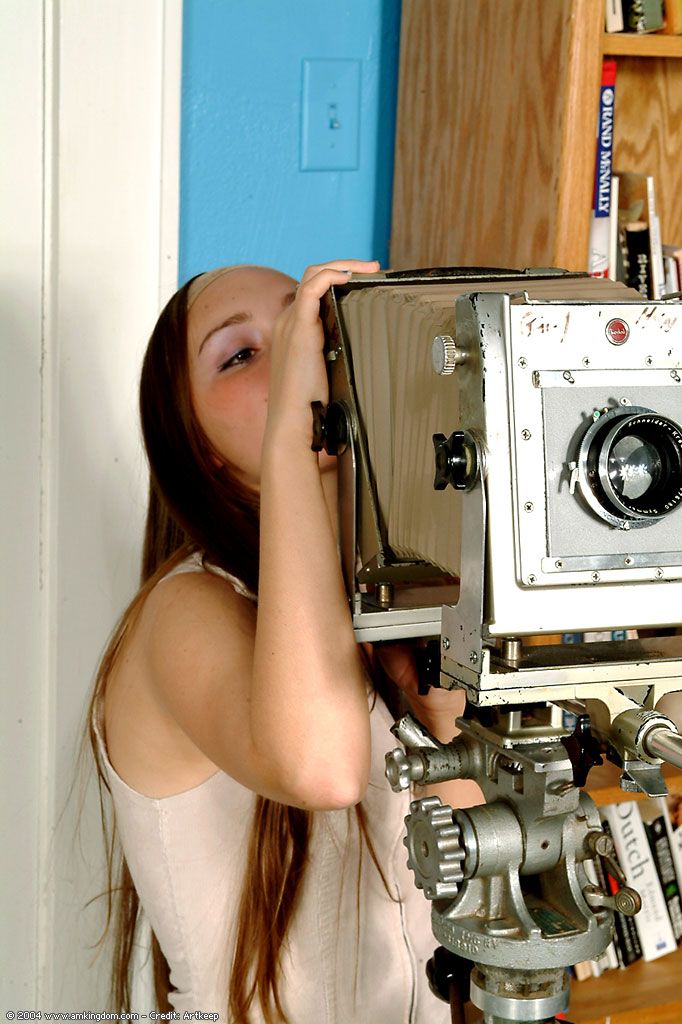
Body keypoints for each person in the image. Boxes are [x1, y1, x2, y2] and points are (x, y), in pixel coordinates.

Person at [86, 259, 482, 1024]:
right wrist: (293, 442)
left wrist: (439, 722)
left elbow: (465, 889)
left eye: (309, 324)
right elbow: (323, 771)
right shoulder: (184, 613)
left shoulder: (389, 587)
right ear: (199, 445)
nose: (306, 354)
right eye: (240, 354)